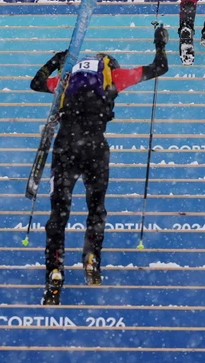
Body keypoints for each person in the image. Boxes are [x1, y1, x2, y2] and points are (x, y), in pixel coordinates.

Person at [30, 25, 169, 304]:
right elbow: (160, 68)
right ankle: (92, 257)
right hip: (95, 147)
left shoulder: (67, 80)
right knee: (96, 208)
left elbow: (36, 83)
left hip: (66, 146)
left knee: (59, 214)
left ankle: (55, 272)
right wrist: (160, 43)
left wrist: (56, 60)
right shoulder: (114, 76)